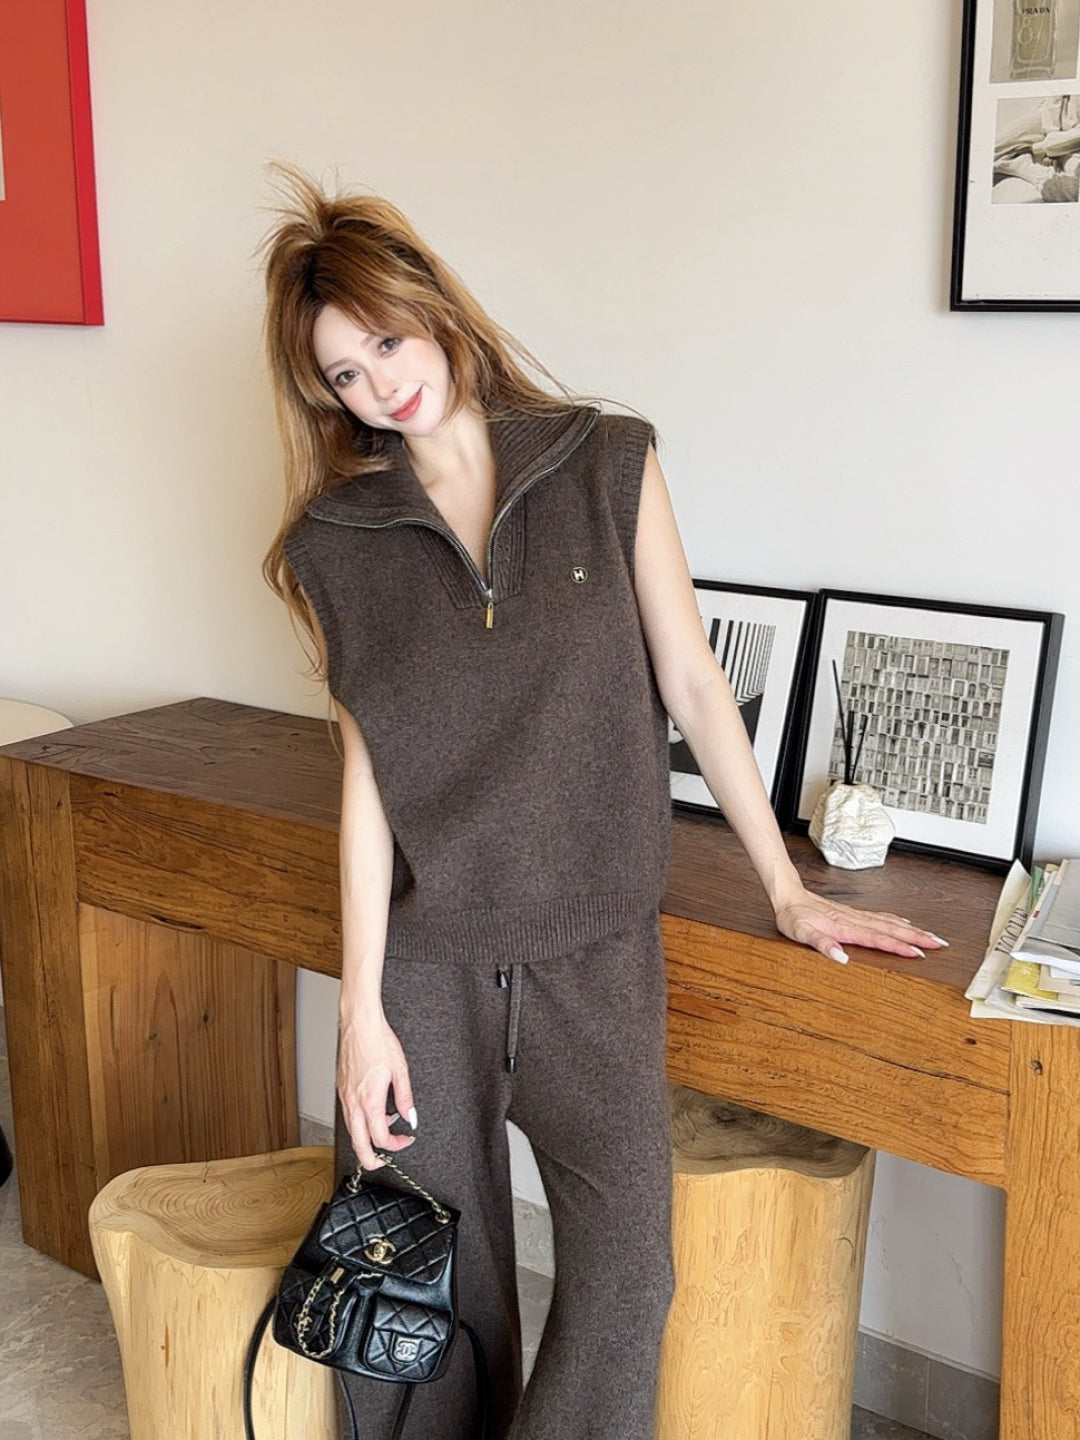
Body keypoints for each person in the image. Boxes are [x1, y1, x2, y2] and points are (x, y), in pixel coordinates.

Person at [260, 168, 945, 1440]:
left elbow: (693, 682)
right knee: (422, 1286)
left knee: (630, 1276)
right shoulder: (337, 545)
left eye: (386, 344)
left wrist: (787, 886)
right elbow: (366, 777)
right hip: (428, 967)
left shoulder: (602, 461)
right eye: (344, 375)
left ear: (434, 310)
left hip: (598, 954)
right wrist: (360, 1011)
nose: (378, 387)